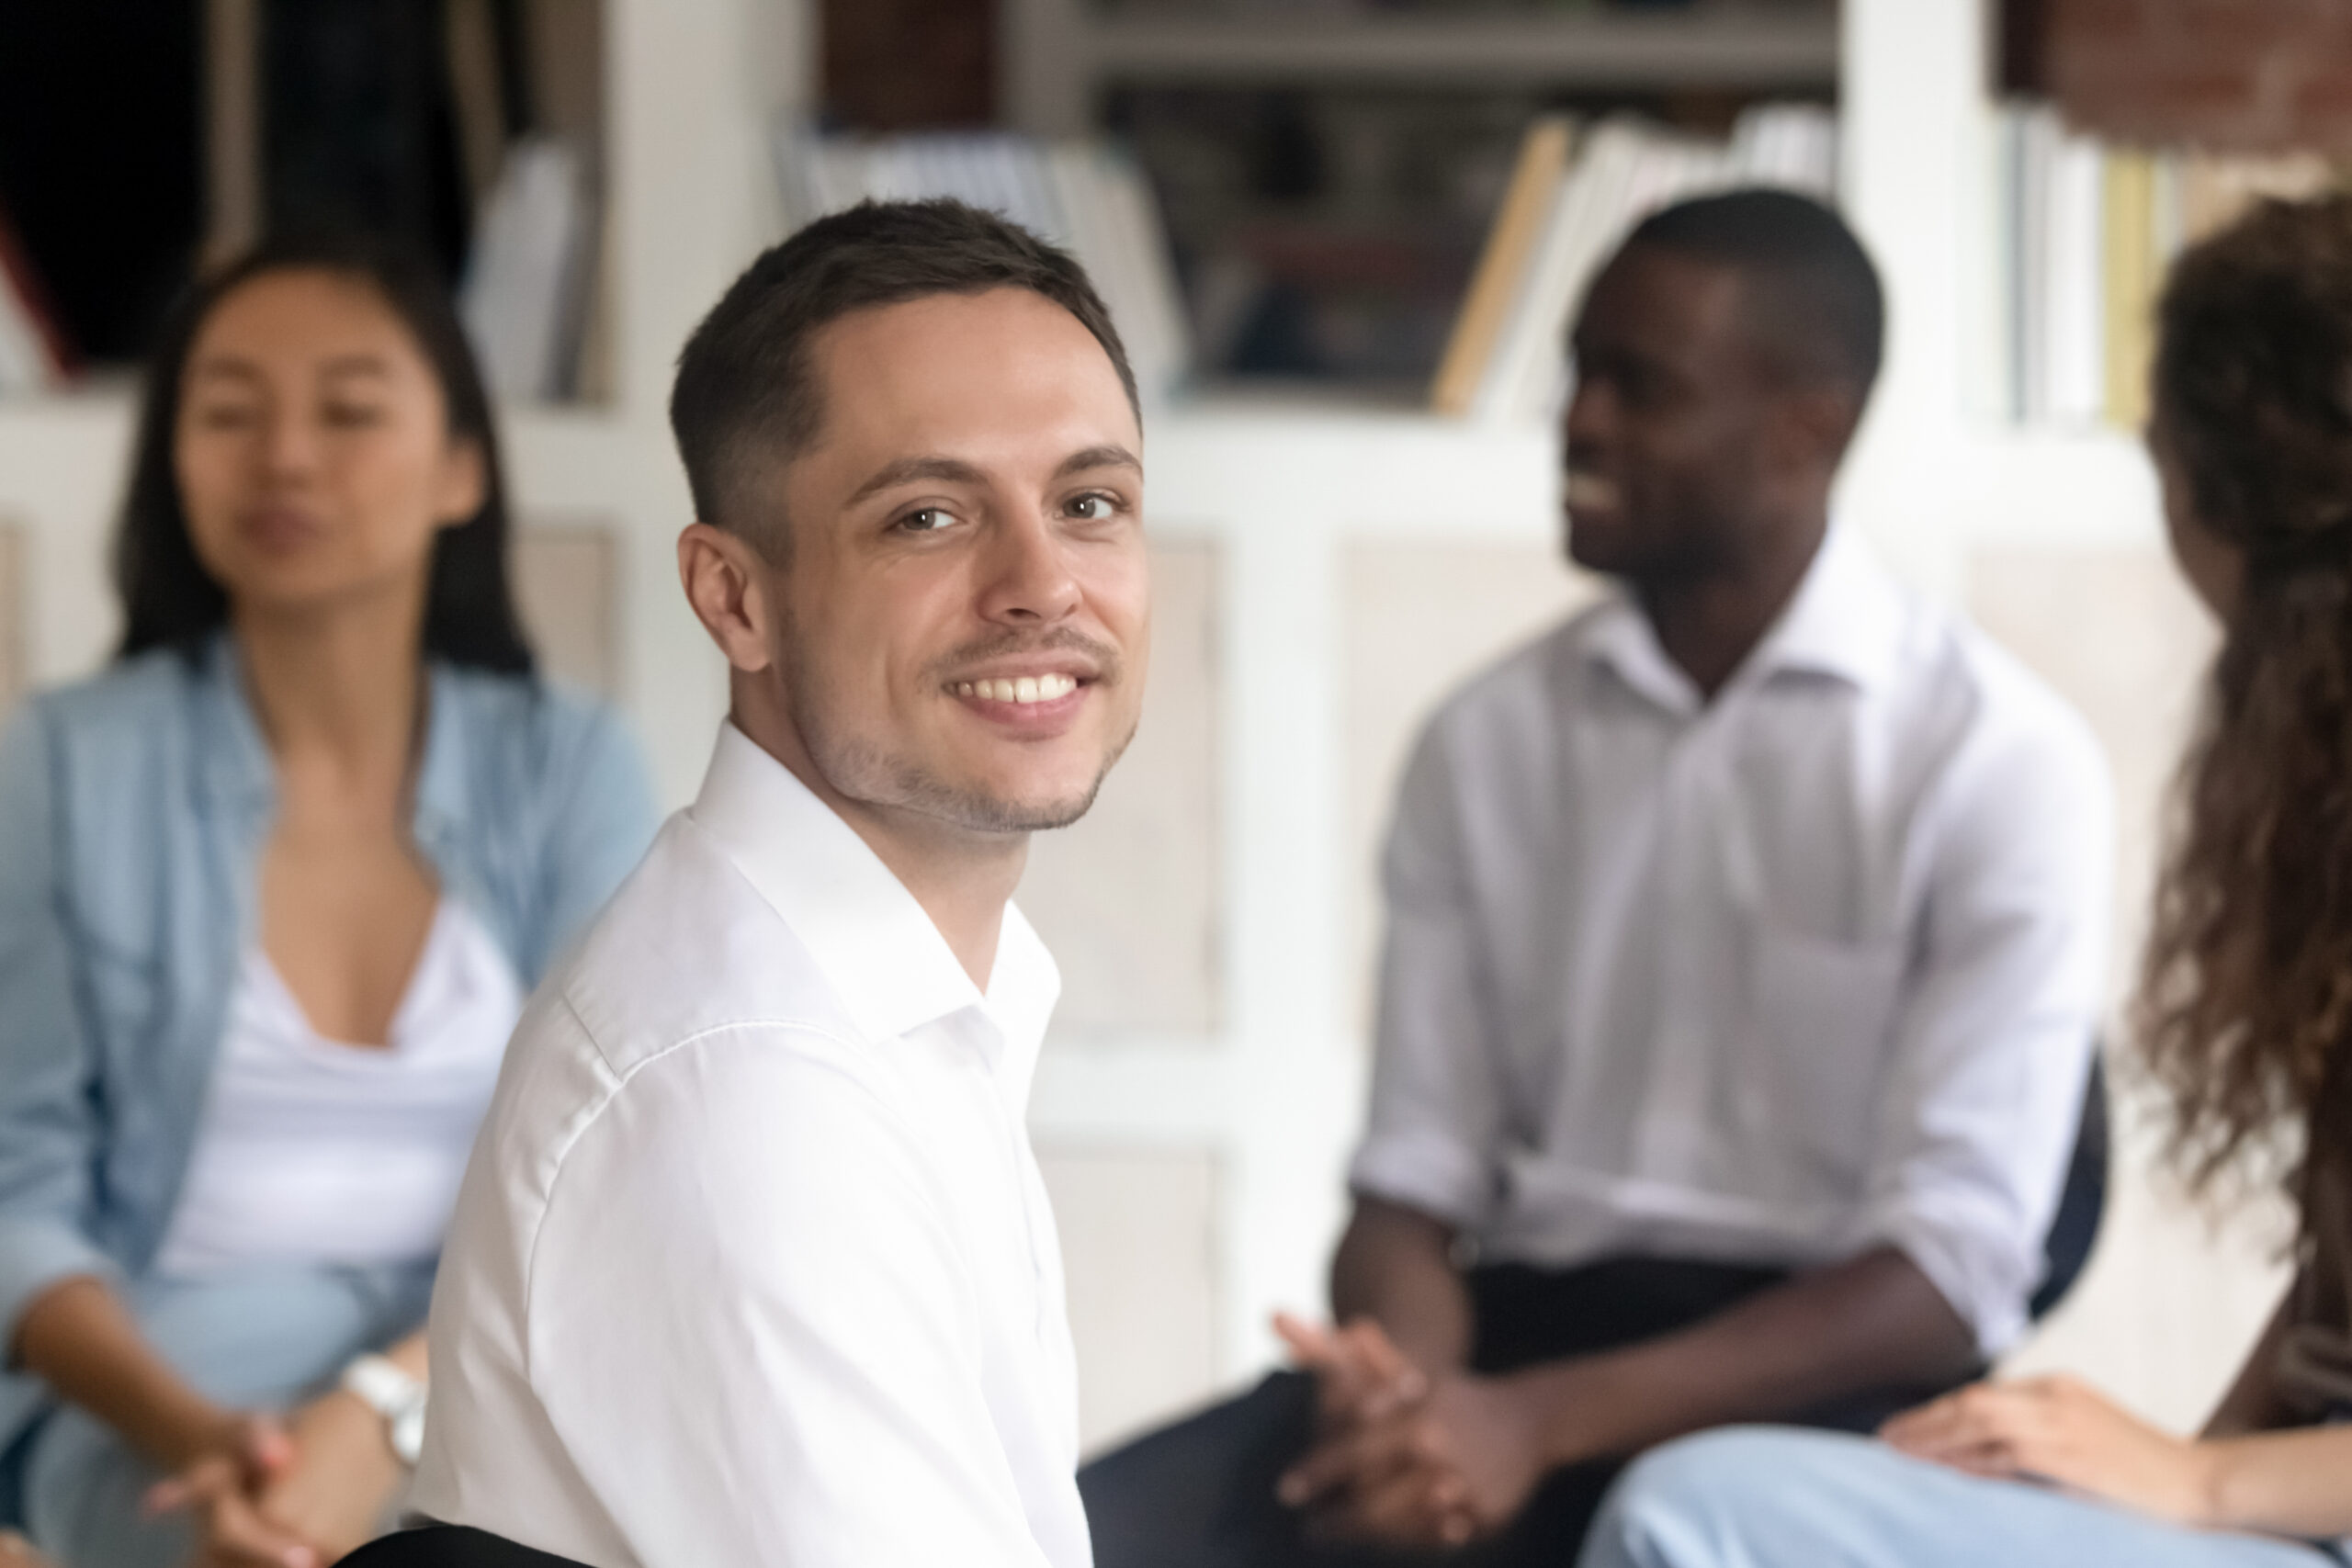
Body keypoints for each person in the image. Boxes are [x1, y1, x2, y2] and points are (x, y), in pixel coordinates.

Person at [1080, 188, 2114, 1565]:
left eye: (1642, 387)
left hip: (1825, 1388)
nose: (1577, 422)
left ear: (1810, 426)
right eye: (1578, 371)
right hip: (1516, 1339)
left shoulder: (1994, 762)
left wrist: (1534, 1427)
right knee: (1083, 1536)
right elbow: (1411, 1190)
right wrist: (1423, 1404)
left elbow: (1946, 1280)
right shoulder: (1487, 741)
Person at [1575, 193, 2352, 1568]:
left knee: (1697, 1516)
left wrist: (2203, 1487)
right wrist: (2167, 1471)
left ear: (2223, 489)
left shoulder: (1990, 745)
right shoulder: (2318, 817)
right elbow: (2330, 1319)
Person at [410, 198, 1150, 1565]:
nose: (1042, 584)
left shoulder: (872, 997)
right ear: (734, 598)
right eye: (928, 517)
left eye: (1089, 503)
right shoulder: (752, 1094)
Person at [0, 233, 657, 1568]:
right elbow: (19, 1186)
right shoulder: (67, 760)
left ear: (462, 467)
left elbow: (617, 1179)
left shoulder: (571, 765)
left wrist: (379, 1412)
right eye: (229, 412)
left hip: (489, 1380)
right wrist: (212, 1441)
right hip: (156, 1407)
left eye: (350, 410)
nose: (285, 457)